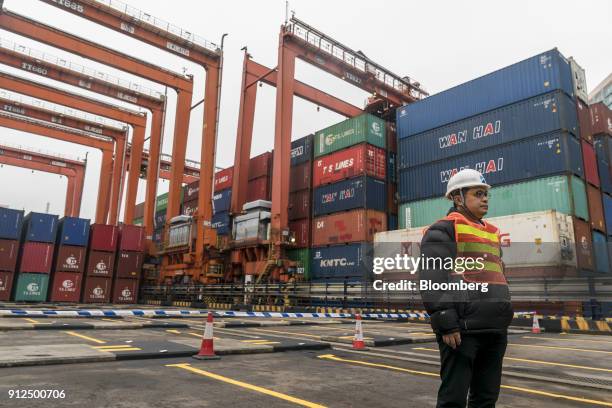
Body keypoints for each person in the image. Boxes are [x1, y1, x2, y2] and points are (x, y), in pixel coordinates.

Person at [419, 169, 513, 408]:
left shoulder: (491, 233)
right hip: (462, 332)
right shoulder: (443, 230)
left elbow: (498, 274)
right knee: (454, 400)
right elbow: (432, 278)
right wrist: (445, 322)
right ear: (458, 198)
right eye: (478, 193)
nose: (485, 199)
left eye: (486, 194)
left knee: (486, 399)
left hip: (494, 329)